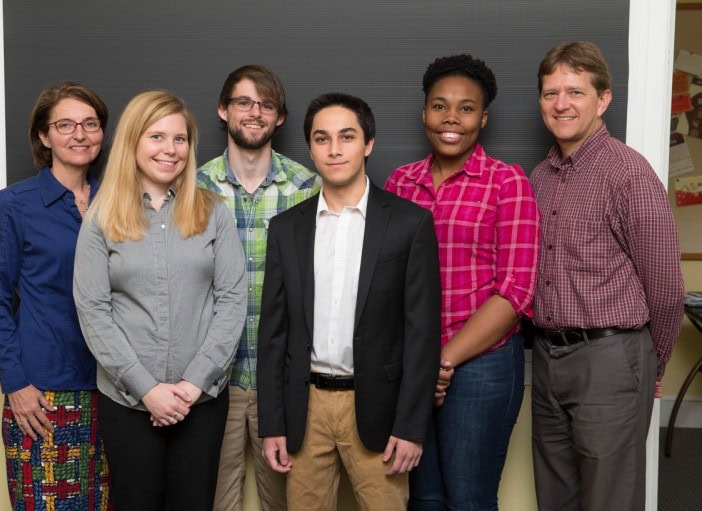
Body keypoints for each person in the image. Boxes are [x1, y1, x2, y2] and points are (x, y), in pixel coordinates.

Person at [257, 92, 441, 510]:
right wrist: (272, 424)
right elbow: (273, 334)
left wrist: (412, 427)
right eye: (322, 139)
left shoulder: (409, 223)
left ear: (368, 143)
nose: (334, 149)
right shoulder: (287, 229)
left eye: (346, 136)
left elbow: (422, 334)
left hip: (378, 406)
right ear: (311, 148)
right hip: (306, 408)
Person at [73, 91, 246, 510]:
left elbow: (232, 301)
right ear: (133, 141)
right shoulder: (100, 218)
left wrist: (190, 386)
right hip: (128, 402)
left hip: (201, 401)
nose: (170, 150)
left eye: (180, 139)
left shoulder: (215, 213)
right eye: (156, 137)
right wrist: (148, 389)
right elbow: (93, 310)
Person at [530, 41, 684, 511]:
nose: (561, 104)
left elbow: (665, 287)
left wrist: (650, 366)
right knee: (555, 495)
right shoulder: (539, 177)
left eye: (575, 91)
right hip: (546, 357)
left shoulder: (628, 173)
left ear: (603, 99)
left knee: (610, 498)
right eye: (550, 92)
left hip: (611, 358)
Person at [385, 54, 541, 510]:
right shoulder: (400, 184)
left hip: (483, 366)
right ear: (424, 113)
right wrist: (421, 363)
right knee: (423, 499)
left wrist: (444, 360)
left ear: (483, 118)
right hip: (412, 365)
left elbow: (515, 291)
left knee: (468, 499)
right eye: (440, 106)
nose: (451, 118)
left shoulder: (507, 183)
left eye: (466, 108)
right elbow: (385, 281)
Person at [0, 82, 111, 510]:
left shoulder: (116, 204)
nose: (80, 134)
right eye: (66, 125)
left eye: (90, 124)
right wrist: (16, 385)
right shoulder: (16, 204)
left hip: (112, 390)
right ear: (44, 136)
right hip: (42, 393)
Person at [197, 64, 319, 511]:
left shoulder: (309, 188)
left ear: (280, 118)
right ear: (223, 110)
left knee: (287, 503)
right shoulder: (193, 188)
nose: (254, 112)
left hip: (285, 382)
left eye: (266, 104)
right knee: (215, 501)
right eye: (243, 102)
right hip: (211, 385)